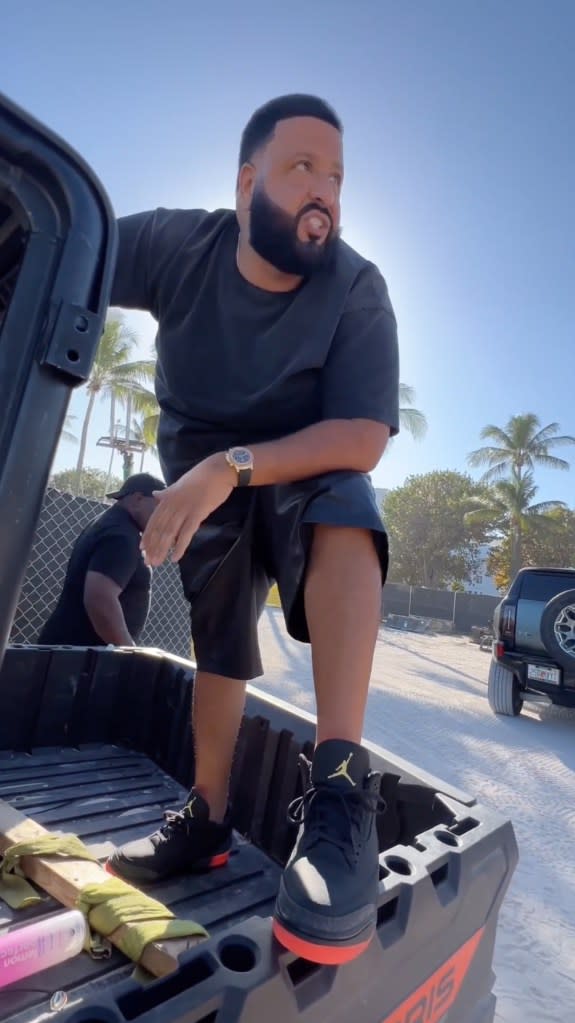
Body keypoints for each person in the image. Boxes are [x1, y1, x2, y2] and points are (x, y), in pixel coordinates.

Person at [106, 94, 400, 966]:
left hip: (294, 468)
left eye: (337, 177)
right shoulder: (177, 246)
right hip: (203, 486)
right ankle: (208, 815)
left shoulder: (355, 286)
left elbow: (363, 436)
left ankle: (342, 795)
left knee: (347, 501)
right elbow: (70, 254)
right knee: (218, 624)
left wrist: (232, 464)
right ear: (246, 184)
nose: (324, 193)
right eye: (302, 168)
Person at [37, 473, 165, 647]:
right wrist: (128, 651)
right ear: (138, 499)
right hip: (81, 660)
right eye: (160, 507)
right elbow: (100, 598)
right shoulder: (122, 535)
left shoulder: (108, 524)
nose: (164, 516)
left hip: (69, 652)